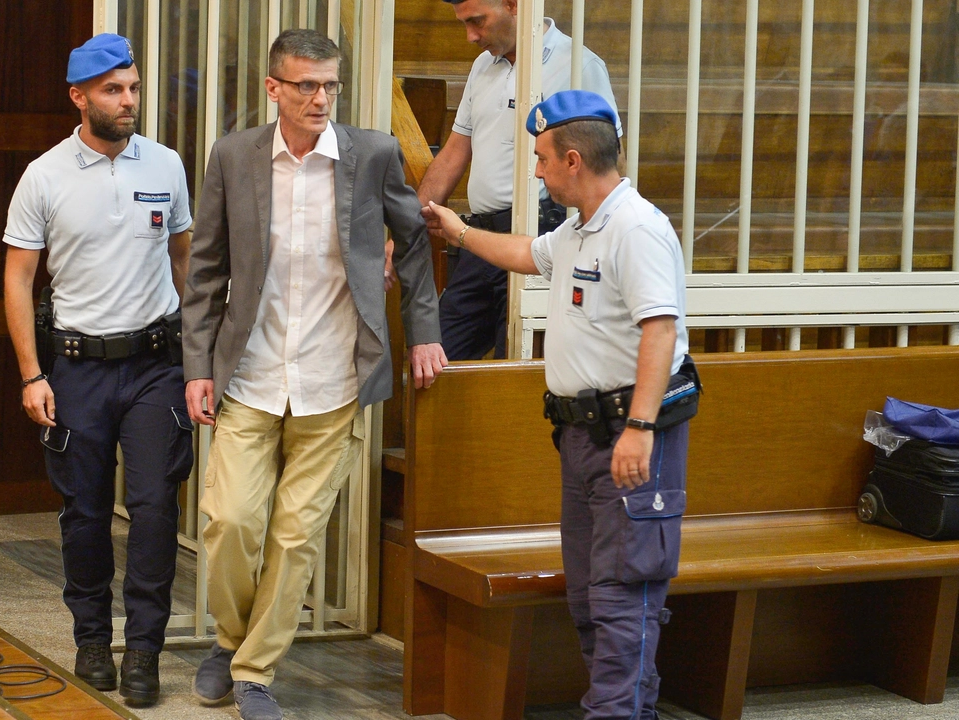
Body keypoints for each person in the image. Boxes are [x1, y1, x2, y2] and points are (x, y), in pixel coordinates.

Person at [183, 29, 448, 720]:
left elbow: (413, 242)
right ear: (273, 88)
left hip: (335, 378)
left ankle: (252, 671)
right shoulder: (234, 157)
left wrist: (423, 333)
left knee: (296, 534)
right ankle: (231, 638)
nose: (320, 97)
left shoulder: (374, 154)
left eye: (330, 84)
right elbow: (206, 269)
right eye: (306, 85)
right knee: (230, 521)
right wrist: (196, 367)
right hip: (250, 371)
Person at [424, 90, 698, 720]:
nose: (538, 170)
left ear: (573, 160)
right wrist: (461, 232)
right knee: (591, 599)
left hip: (629, 439)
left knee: (623, 598)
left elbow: (660, 330)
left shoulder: (637, 229)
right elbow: (526, 255)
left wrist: (640, 427)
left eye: (543, 158)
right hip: (582, 440)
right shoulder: (579, 230)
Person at [2, 33, 193, 707]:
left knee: (153, 510)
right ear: (79, 97)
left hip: (153, 369)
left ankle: (144, 651)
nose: (128, 100)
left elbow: (183, 263)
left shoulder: (166, 166)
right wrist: (32, 374)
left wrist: (196, 362)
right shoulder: (45, 176)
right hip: (77, 369)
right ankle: (92, 639)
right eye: (114, 90)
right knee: (83, 513)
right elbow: (20, 279)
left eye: (134, 87)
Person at [397, 0, 617, 360]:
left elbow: (606, 159)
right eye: (464, 24)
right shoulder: (483, 66)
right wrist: (408, 230)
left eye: (477, 21)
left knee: (513, 365)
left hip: (539, 233)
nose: (470, 36)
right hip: (479, 240)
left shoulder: (579, 65)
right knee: (434, 359)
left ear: (515, 5)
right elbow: (454, 152)